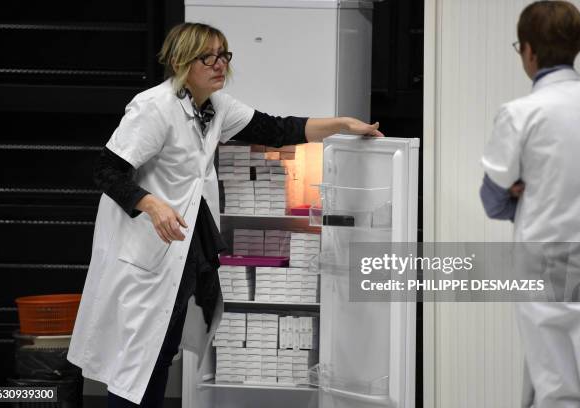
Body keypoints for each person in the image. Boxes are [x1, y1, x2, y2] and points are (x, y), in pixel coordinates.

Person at [66, 22, 383, 407]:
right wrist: (151, 204)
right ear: (182, 61)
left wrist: (342, 124)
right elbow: (106, 170)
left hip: (182, 248)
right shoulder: (154, 108)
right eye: (209, 57)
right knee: (135, 360)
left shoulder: (214, 107)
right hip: (145, 252)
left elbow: (277, 128)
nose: (220, 65)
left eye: (224, 55)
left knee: (161, 350)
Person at [480, 2, 580, 407]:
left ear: (528, 51)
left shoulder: (521, 114)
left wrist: (520, 192)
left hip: (542, 262)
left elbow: (492, 200)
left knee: (553, 382)